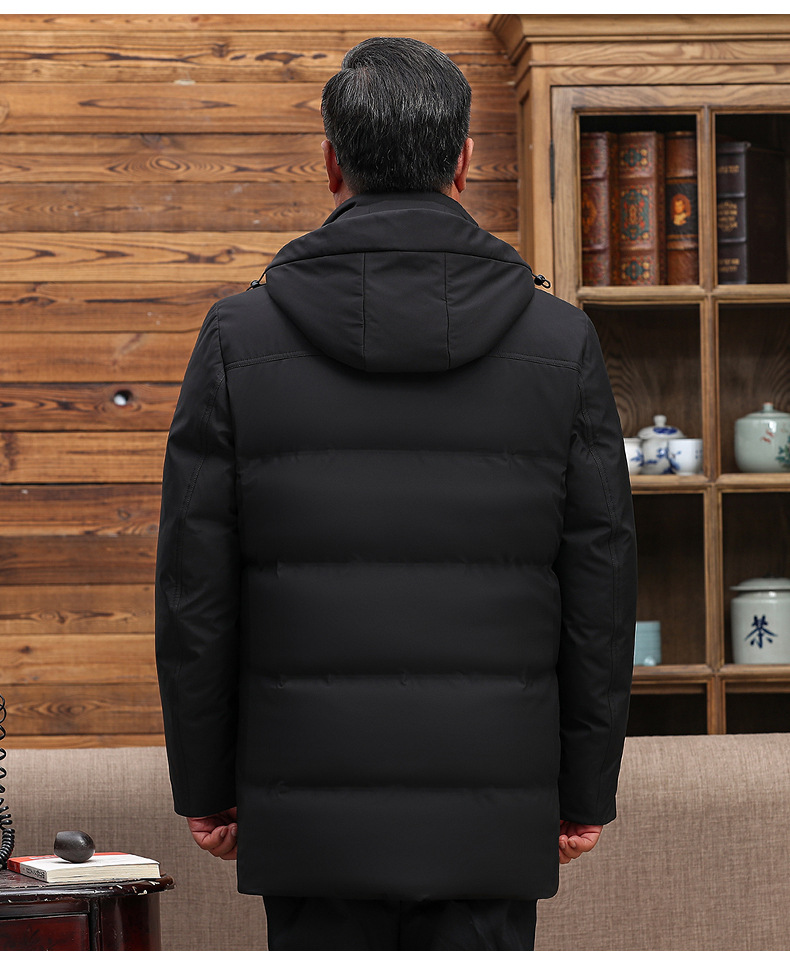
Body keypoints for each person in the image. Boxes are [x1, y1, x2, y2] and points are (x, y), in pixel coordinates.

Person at [155, 36, 637, 952]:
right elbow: (601, 591)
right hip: (494, 814)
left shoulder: (237, 338)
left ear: (332, 162)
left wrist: (208, 785)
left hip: (308, 819)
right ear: (465, 161)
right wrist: (583, 790)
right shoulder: (559, 341)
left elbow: (194, 590)